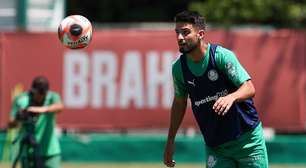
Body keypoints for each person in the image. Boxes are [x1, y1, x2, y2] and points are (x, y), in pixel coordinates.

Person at [163, 10, 268, 168]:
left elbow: (249, 88)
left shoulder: (221, 56)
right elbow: (179, 103)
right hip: (216, 147)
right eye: (177, 33)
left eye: (185, 33)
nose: (179, 38)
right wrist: (170, 140)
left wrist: (231, 97)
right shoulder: (178, 68)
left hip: (248, 142)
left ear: (201, 34)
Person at [8, 76, 64, 168]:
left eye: (43, 94)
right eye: (38, 93)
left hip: (50, 151)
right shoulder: (21, 100)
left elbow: (60, 107)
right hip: (28, 151)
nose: (40, 97)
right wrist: (18, 118)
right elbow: (11, 125)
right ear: (33, 91)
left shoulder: (52, 97)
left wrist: (41, 110)